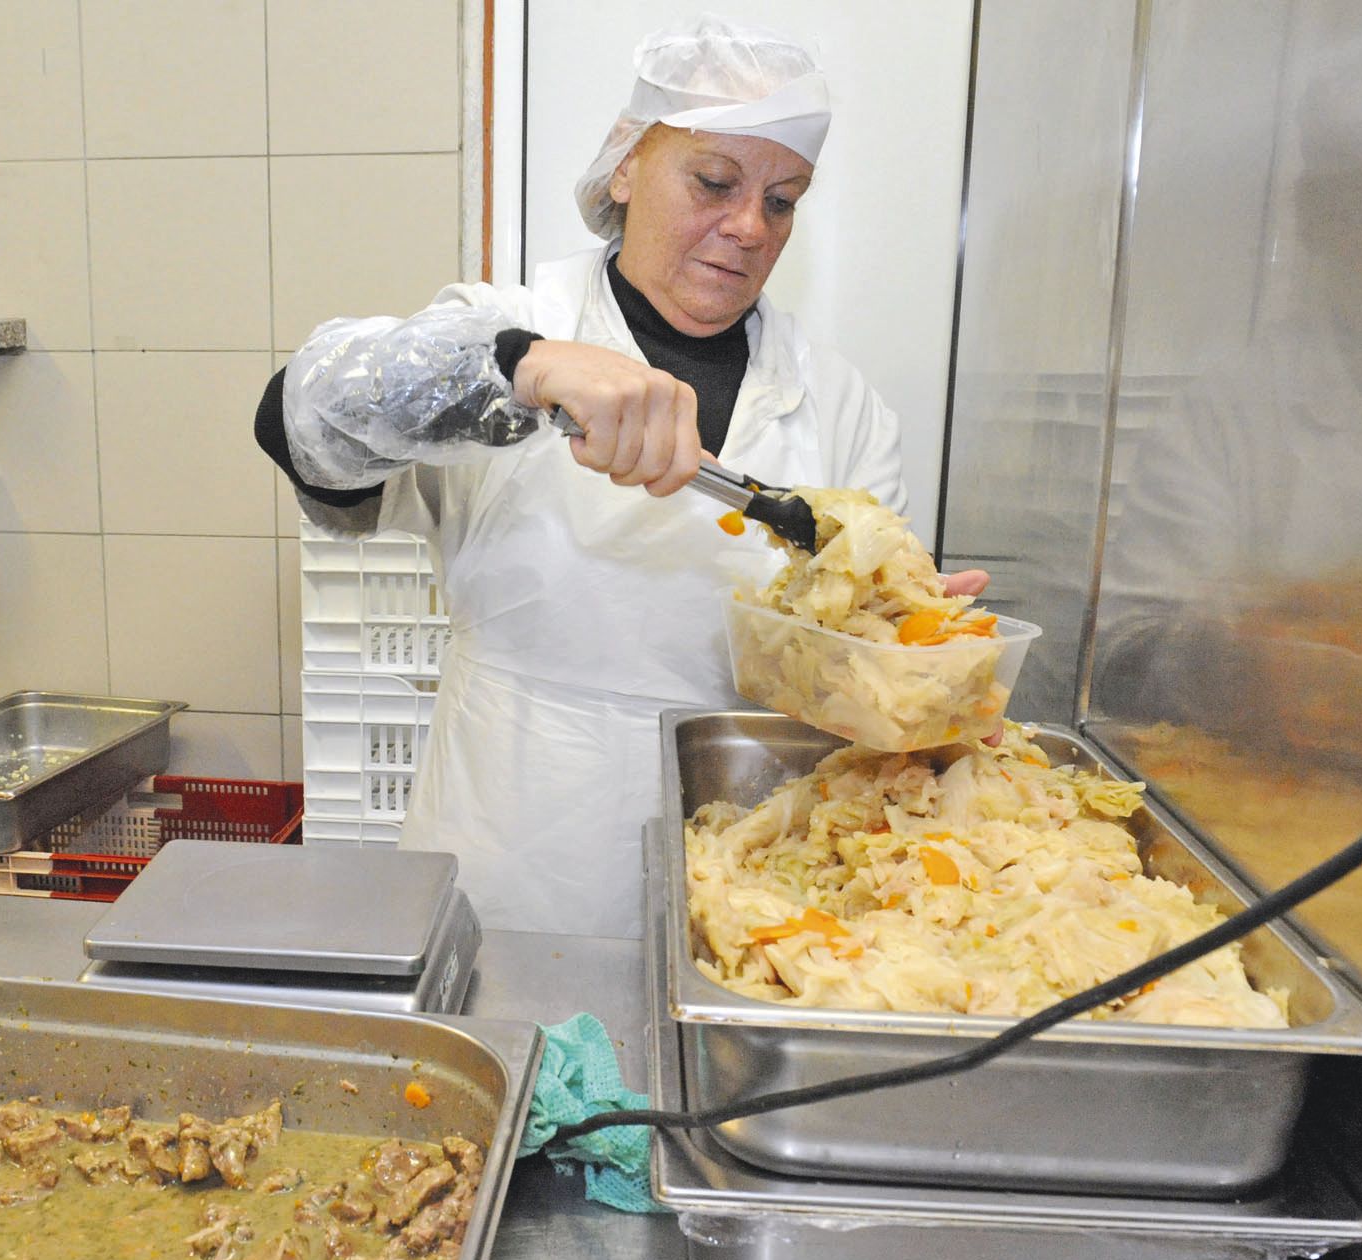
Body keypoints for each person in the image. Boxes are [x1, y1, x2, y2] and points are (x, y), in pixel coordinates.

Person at [255, 15, 980, 937]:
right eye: (714, 181)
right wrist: (519, 367)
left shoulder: (839, 402)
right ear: (628, 164)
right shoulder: (506, 324)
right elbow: (303, 415)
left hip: (764, 872)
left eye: (783, 199)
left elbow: (851, 684)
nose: (748, 227)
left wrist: (915, 638)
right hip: (517, 860)